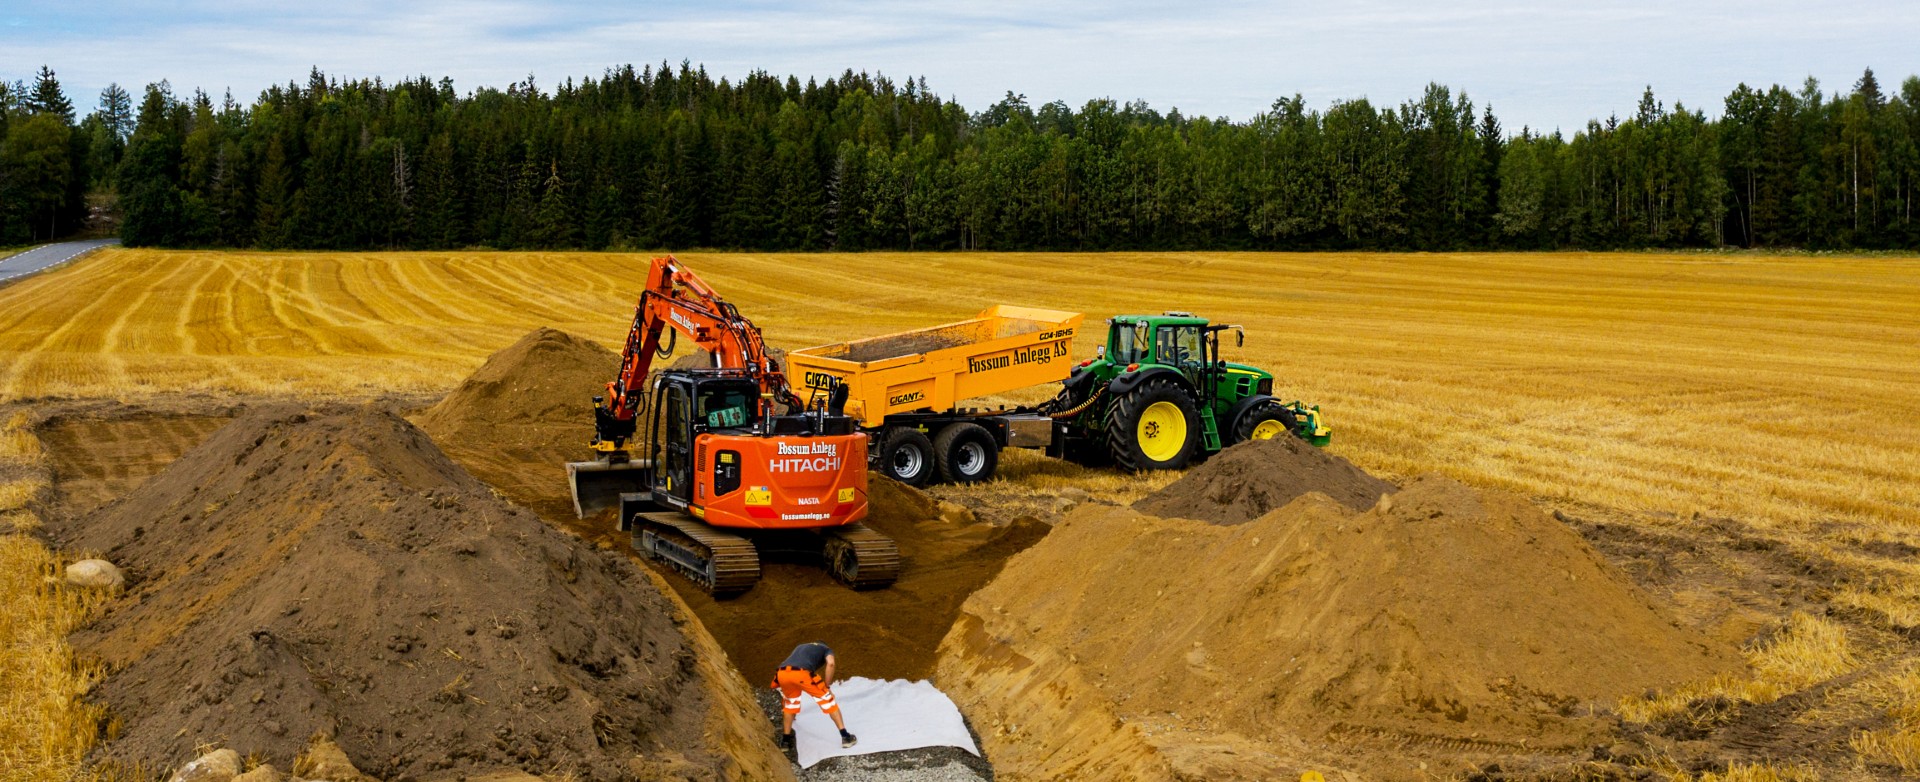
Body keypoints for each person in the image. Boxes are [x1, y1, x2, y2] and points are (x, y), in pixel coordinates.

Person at [771, 641, 857, 749]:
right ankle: (846, 737)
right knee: (829, 703)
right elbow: (831, 663)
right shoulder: (826, 649)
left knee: (790, 705)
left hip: (782, 674)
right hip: (801, 674)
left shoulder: (800, 646)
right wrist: (827, 687)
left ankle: (785, 742)